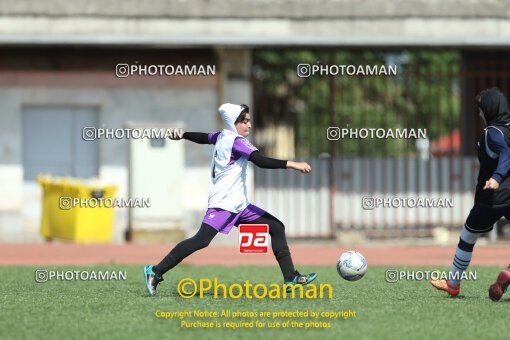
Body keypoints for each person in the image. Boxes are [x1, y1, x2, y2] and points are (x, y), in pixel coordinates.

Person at [143, 103, 317, 296]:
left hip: (240, 205)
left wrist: (183, 135)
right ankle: (155, 271)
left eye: (249, 121)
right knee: (201, 240)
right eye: (245, 121)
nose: (249, 125)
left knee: (276, 227)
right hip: (224, 204)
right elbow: (260, 161)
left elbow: (203, 137)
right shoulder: (236, 141)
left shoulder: (221, 136)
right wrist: (293, 163)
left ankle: (290, 278)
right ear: (234, 123)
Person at [430, 88, 510, 299]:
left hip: (492, 196)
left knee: (468, 236)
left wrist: (497, 178)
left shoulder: (493, 132)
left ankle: (453, 284)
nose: (479, 113)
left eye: (481, 109)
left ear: (490, 109)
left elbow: (505, 154)